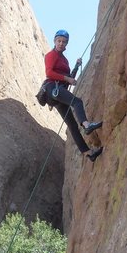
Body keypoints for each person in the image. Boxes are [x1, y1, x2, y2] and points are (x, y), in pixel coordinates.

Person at [43, 29, 103, 162]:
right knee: (77, 102)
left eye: (64, 42)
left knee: (72, 126)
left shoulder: (64, 60)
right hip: (52, 87)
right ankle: (87, 125)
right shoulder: (51, 55)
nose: (61, 44)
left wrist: (76, 66)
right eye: (59, 41)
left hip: (58, 92)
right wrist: (67, 79)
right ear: (55, 41)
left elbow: (69, 78)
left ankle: (88, 153)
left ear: (66, 44)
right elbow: (49, 73)